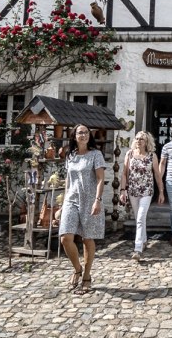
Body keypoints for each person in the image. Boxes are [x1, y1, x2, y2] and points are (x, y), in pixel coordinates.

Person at [59, 124, 106, 295]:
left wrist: (98, 200)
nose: (84, 135)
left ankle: (86, 275)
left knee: (87, 239)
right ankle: (77, 268)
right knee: (65, 237)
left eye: (86, 133)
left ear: (89, 136)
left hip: (90, 200)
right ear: (74, 136)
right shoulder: (70, 156)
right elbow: (68, 181)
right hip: (71, 199)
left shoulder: (96, 155)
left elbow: (101, 179)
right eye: (80, 133)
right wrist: (63, 203)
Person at [119, 131, 164, 261]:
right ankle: (144, 240)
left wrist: (161, 191)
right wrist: (123, 190)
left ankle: (137, 249)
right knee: (139, 218)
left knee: (140, 218)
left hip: (147, 191)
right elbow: (124, 173)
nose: (139, 141)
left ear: (147, 142)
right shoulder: (130, 154)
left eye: (142, 139)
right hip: (133, 191)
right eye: (137, 139)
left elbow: (157, 174)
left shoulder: (152, 156)